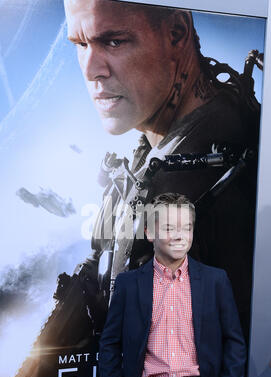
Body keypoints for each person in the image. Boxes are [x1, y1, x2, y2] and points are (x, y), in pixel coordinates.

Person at [64, 0, 260, 344]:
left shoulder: (204, 182)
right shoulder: (170, 145)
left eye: (113, 41)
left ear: (176, 33)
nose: (91, 69)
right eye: (80, 44)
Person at [99, 193, 247, 377]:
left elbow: (235, 342)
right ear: (149, 233)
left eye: (186, 228)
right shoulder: (128, 284)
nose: (179, 236)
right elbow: (109, 344)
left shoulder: (215, 281)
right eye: (169, 228)